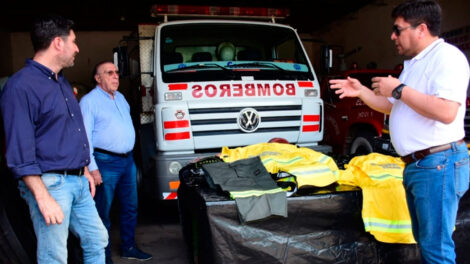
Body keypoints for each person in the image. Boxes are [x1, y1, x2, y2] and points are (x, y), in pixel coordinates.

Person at [329, 0, 469, 263]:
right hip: (421, 165)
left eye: (398, 29)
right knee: (427, 242)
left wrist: (399, 89)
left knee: (436, 248)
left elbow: (446, 111)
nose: (392, 36)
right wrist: (361, 92)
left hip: (439, 163)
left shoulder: (447, 58)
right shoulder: (413, 64)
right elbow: (392, 107)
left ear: (421, 29)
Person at [0, 15, 108, 263]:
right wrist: (42, 197)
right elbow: (19, 152)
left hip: (78, 182)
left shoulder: (60, 82)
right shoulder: (21, 87)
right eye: (74, 41)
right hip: (50, 185)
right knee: (54, 255)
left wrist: (85, 170)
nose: (77, 49)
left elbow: (65, 134)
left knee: (97, 240)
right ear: (58, 43)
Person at [80, 61, 152, 263]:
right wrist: (92, 168)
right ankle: (102, 256)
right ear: (98, 78)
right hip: (104, 162)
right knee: (102, 211)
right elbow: (84, 139)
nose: (115, 76)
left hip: (127, 161)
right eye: (109, 73)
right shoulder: (88, 102)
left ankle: (129, 247)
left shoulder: (120, 98)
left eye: (117, 72)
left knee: (130, 207)